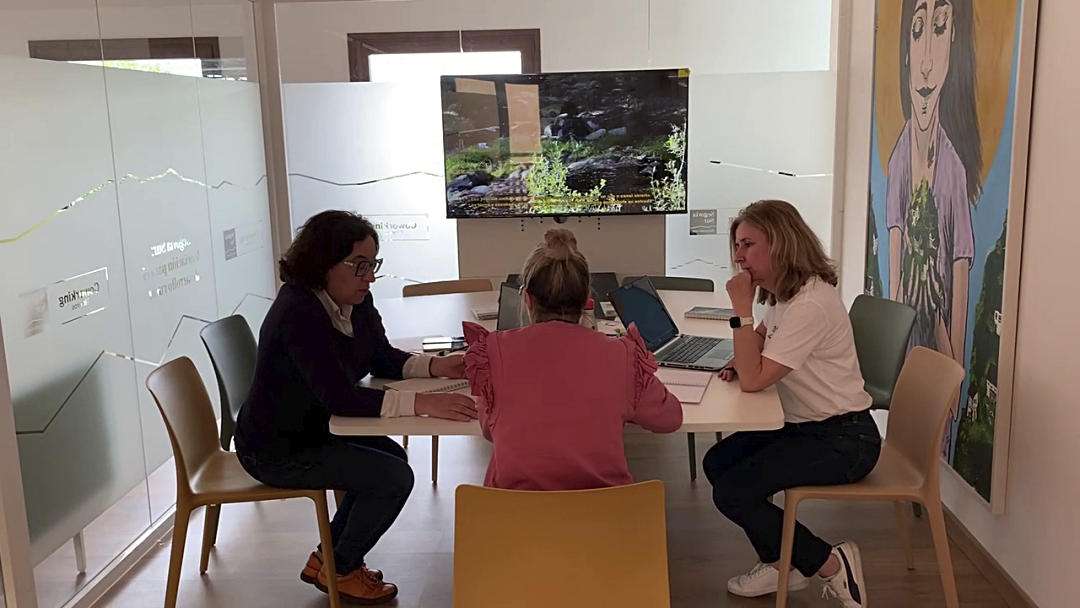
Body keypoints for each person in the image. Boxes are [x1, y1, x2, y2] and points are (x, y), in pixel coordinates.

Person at [234, 210, 478, 604]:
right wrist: (425, 403)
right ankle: (342, 567)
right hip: (275, 449)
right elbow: (341, 397)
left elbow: (380, 356)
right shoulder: (298, 312)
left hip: (316, 429)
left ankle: (326, 561)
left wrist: (434, 366)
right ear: (323, 263)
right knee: (392, 477)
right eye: (360, 266)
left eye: (372, 265)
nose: (370, 277)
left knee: (391, 459)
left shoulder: (353, 299)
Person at [702, 200, 880, 608]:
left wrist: (740, 310)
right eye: (737, 245)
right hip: (805, 425)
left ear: (780, 244)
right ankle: (780, 561)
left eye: (747, 244)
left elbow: (755, 380)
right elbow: (762, 340)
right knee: (718, 464)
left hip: (845, 440)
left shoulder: (811, 305)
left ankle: (829, 562)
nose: (738, 256)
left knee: (732, 491)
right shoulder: (786, 295)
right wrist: (744, 350)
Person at [462, 228, 682, 490]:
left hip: (514, 520)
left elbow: (489, 430)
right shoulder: (622, 355)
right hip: (607, 520)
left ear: (528, 300)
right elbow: (670, 418)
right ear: (587, 301)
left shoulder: (492, 351)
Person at [887, 0, 979, 366]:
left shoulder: (953, 168)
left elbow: (960, 271)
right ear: (906, 50)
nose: (926, 64)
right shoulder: (898, 161)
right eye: (918, 30)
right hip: (905, 339)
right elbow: (894, 285)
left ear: (954, 42)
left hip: (936, 338)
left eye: (939, 29)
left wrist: (952, 384)